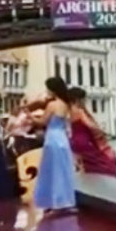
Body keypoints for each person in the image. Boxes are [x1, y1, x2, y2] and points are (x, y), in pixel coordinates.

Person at [29, 77, 77, 215]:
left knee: (51, 171)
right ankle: (65, 201)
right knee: (63, 170)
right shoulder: (66, 105)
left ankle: (53, 202)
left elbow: (42, 122)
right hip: (62, 139)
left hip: (52, 139)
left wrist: (30, 117)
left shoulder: (52, 105)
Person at [68, 87, 116, 177]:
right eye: (83, 99)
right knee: (102, 163)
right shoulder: (79, 111)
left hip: (74, 141)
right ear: (77, 99)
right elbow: (89, 124)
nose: (84, 101)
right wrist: (101, 130)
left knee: (85, 165)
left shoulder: (68, 111)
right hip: (84, 140)